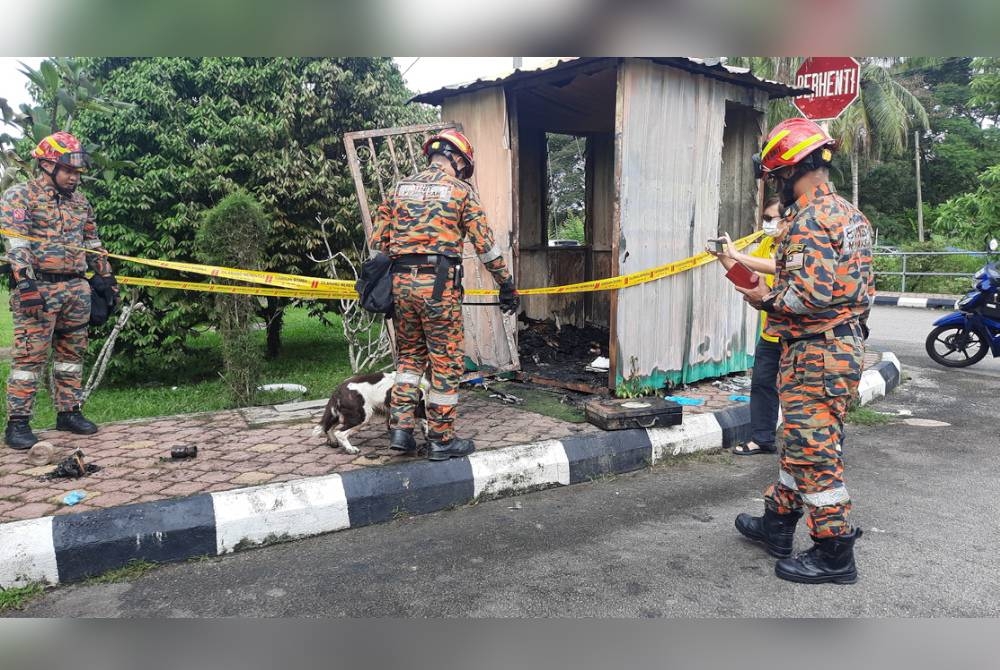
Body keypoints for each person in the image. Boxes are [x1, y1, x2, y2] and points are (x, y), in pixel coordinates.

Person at [733, 117, 874, 584]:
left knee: (814, 453)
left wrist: (760, 296)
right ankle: (777, 522)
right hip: (837, 347)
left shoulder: (810, 220)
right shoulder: (850, 215)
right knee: (799, 442)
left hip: (816, 351)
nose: (776, 185)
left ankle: (834, 552)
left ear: (793, 171)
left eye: (777, 176)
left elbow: (807, 297)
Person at [370, 129, 518, 462]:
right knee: (446, 364)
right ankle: (441, 439)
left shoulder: (398, 190)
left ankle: (401, 431)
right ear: (458, 160)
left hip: (400, 286)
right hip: (438, 287)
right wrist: (506, 283)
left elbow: (378, 244)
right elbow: (485, 246)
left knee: (409, 361)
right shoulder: (460, 192)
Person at [2, 131, 117, 450]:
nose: (74, 177)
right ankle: (18, 423)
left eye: (78, 172)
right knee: (29, 358)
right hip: (37, 287)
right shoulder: (19, 196)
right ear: (47, 165)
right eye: (68, 170)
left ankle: (68, 412)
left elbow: (93, 243)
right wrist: (25, 283)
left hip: (75, 290)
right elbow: (17, 243)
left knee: (71, 357)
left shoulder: (81, 202)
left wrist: (107, 279)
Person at [708, 197, 785, 456]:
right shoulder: (765, 243)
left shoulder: (796, 246)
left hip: (798, 335)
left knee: (801, 392)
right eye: (765, 218)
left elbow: (779, 267)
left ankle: (812, 446)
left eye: (772, 218)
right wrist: (723, 259)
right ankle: (763, 439)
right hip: (771, 331)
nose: (767, 224)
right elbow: (750, 278)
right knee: (763, 384)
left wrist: (737, 255)